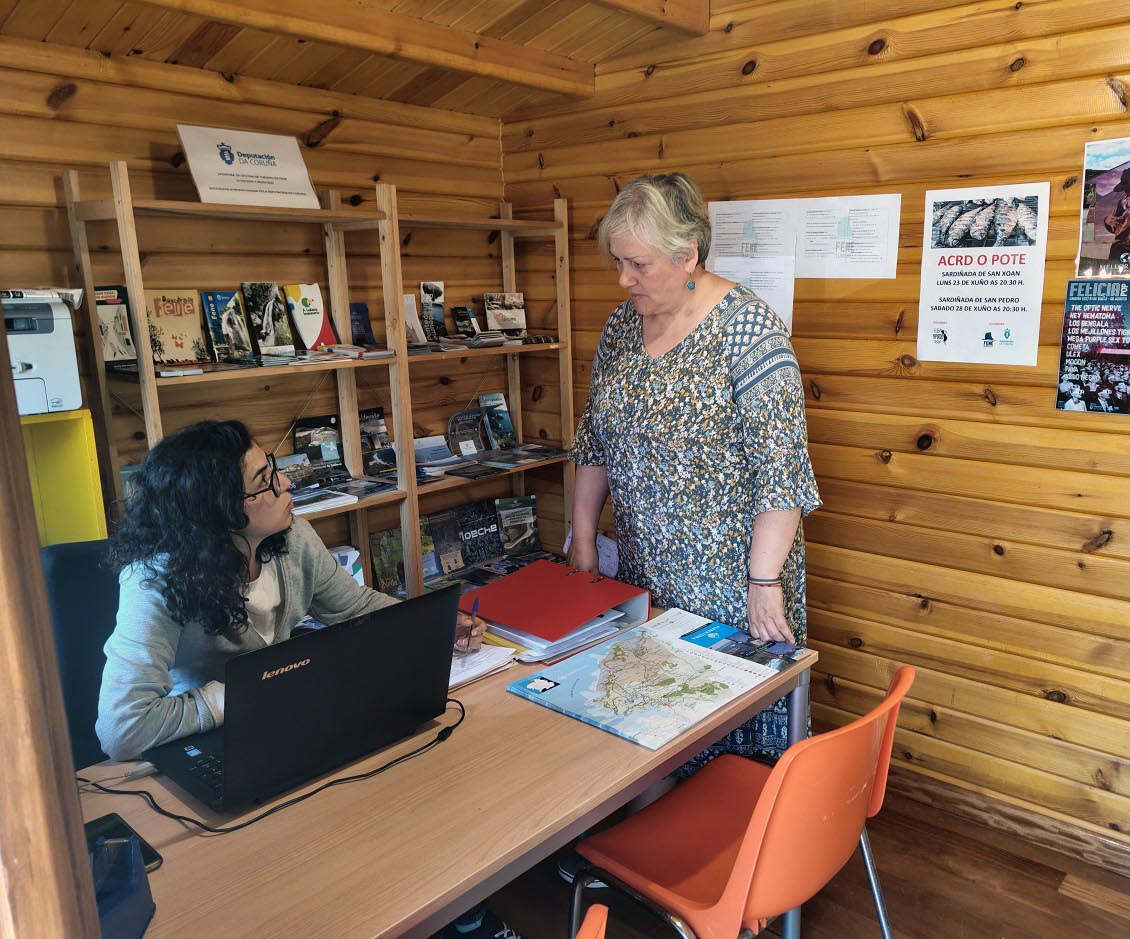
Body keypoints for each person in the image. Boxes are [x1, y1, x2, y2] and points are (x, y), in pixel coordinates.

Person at [96, 420, 519, 939]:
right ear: (218, 509)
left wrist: (438, 626)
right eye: (266, 483)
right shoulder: (154, 580)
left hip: (285, 715)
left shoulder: (289, 537)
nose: (286, 486)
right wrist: (239, 695)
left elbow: (355, 607)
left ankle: (441, 902)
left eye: (274, 471)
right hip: (204, 744)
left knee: (408, 782)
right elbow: (122, 728)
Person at [566, 172, 821, 772]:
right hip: (645, 568)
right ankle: (643, 849)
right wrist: (582, 535)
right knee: (645, 723)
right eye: (617, 263)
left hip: (730, 579)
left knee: (721, 727)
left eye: (637, 264)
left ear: (688, 255)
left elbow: (780, 471)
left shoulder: (748, 332)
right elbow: (593, 438)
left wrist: (763, 583)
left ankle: (736, 853)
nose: (623, 279)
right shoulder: (621, 327)